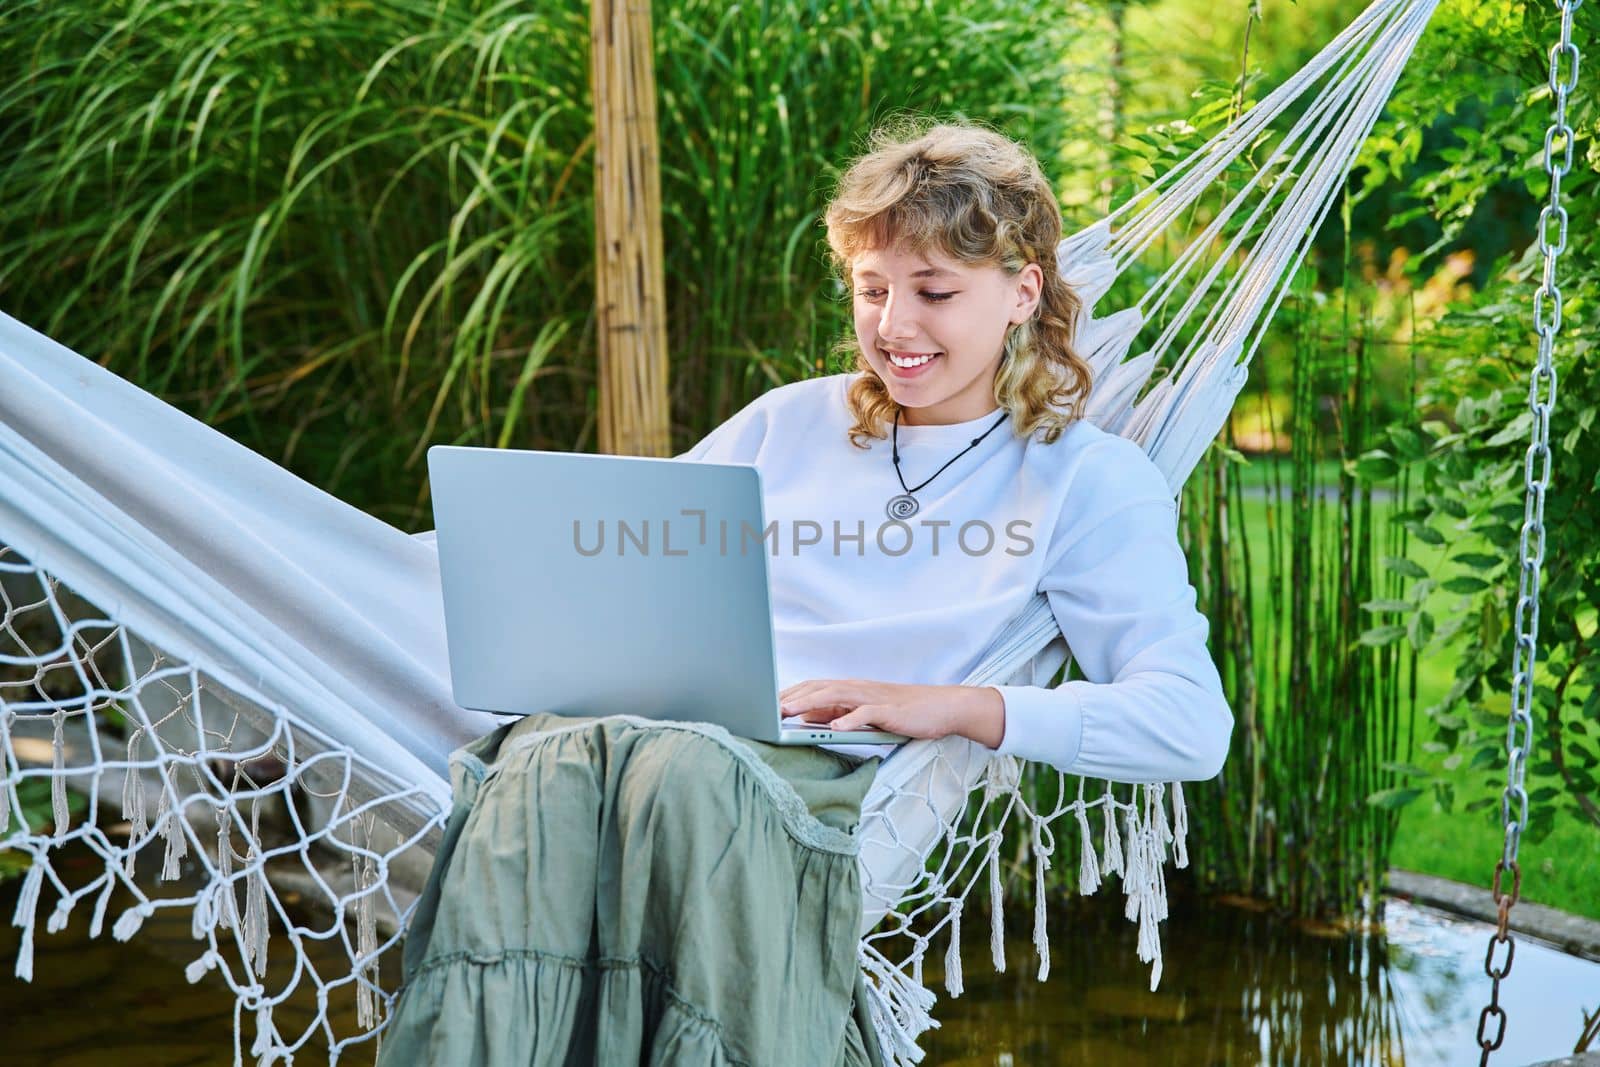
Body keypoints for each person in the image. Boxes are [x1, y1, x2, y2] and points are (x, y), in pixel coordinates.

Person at [375, 116, 1232, 1067]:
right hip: (653, 731)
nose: (894, 327)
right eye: (872, 290)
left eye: (935, 291)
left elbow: (1189, 723)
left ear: (1024, 290)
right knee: (547, 763)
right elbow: (630, 572)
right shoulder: (788, 423)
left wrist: (953, 705)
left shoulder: (1087, 479)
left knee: (680, 778)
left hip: (821, 781)